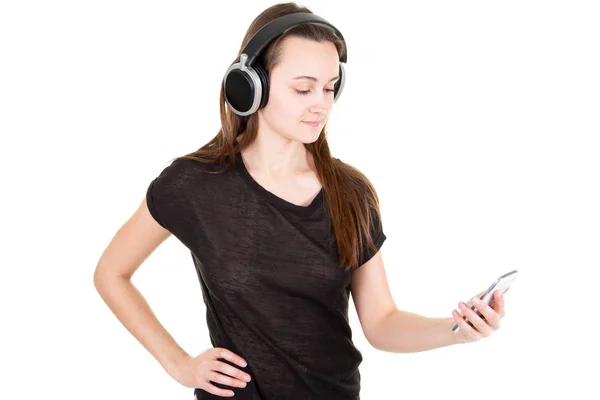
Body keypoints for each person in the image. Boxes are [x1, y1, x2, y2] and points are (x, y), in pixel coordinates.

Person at [93, 3, 509, 399]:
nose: (321, 105)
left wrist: (457, 330)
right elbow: (111, 273)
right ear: (250, 87)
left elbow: (382, 322)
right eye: (303, 89)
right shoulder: (193, 185)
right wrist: (179, 364)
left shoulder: (350, 193)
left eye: (329, 88)